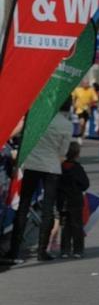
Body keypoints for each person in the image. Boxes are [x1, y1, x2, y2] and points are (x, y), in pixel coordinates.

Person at [6, 99, 73, 263]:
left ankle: (14, 250)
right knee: (48, 210)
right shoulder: (66, 125)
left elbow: (25, 139)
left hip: (32, 165)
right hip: (52, 168)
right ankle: (42, 252)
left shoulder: (38, 117)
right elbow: (63, 152)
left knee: (23, 206)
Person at [57, 142, 90, 258]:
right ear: (77, 154)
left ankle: (64, 250)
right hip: (75, 200)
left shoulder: (60, 167)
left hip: (62, 200)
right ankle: (78, 250)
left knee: (65, 226)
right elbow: (85, 184)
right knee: (77, 225)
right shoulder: (77, 168)